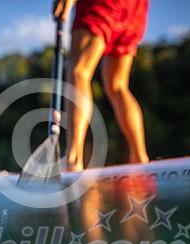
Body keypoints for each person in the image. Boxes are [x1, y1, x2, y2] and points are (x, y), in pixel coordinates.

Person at [53, 0, 150, 172]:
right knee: (117, 85)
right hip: (135, 7)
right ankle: (140, 158)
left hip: (103, 4)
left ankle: (73, 159)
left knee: (79, 71)